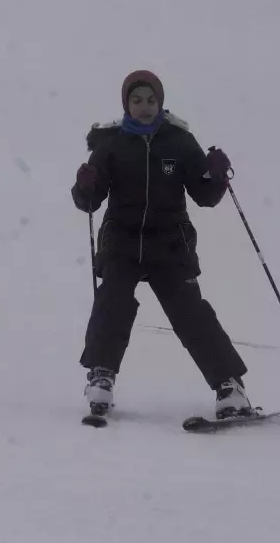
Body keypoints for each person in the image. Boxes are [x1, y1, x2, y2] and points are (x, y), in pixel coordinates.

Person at [71, 70, 254, 420]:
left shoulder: (180, 142)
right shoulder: (110, 144)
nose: (144, 107)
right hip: (123, 242)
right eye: (137, 100)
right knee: (112, 302)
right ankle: (101, 376)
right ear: (126, 103)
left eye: (150, 100)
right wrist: (85, 186)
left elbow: (204, 196)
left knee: (191, 312)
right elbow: (90, 203)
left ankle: (229, 387)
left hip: (170, 243)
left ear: (161, 102)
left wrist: (215, 175)